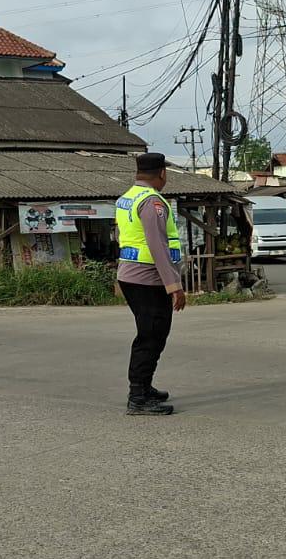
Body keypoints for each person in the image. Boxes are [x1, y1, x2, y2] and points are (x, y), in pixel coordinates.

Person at [115, 152, 187, 416]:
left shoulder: (127, 198)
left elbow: (122, 237)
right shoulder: (152, 202)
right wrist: (174, 286)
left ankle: (144, 388)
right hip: (149, 279)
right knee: (151, 336)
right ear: (163, 173)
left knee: (151, 333)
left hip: (131, 275)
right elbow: (157, 246)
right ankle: (138, 397)